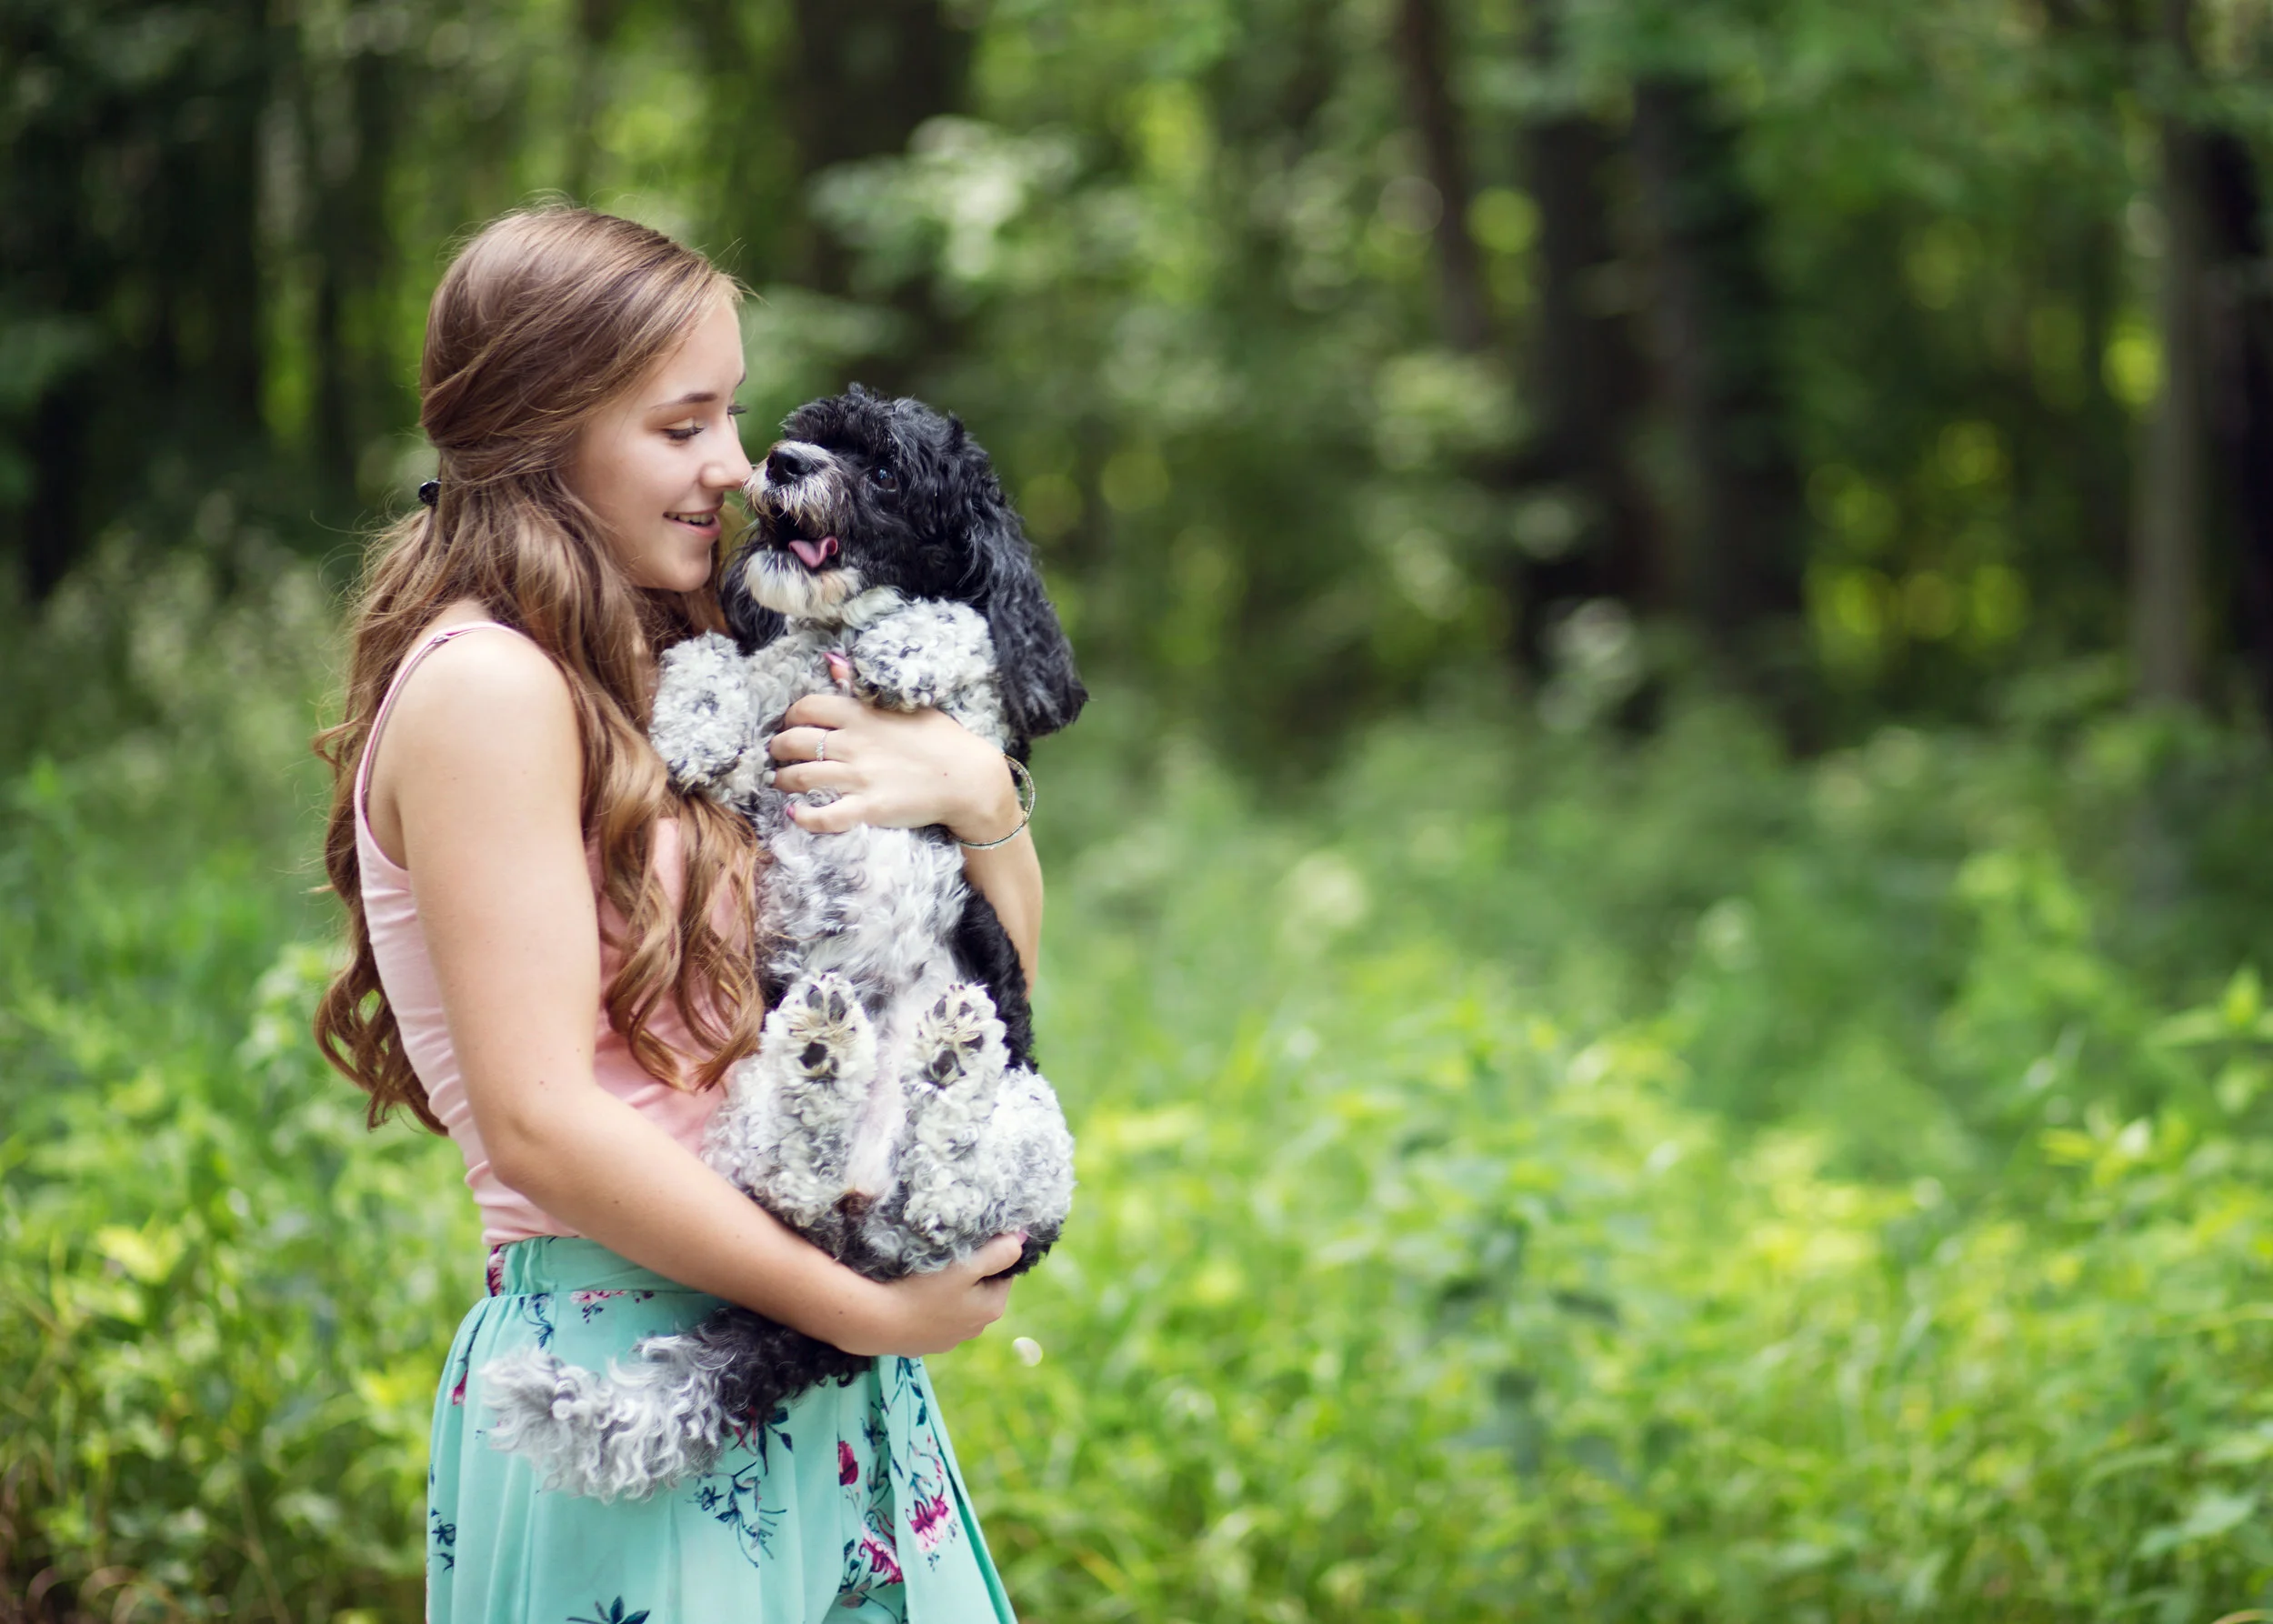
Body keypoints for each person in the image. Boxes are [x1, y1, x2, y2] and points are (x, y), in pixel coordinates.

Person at [313, 206, 1039, 1623]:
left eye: (735, 412)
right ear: (543, 430)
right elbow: (540, 1120)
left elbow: (977, 986)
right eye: (683, 423)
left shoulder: (692, 659)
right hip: (632, 1367)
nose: (738, 466)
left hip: (812, 1362)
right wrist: (861, 1310)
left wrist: (976, 791)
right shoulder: (488, 689)